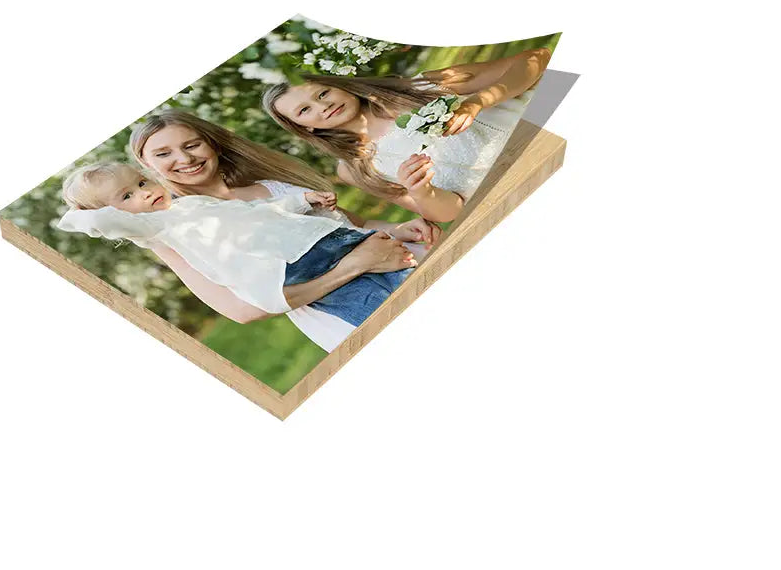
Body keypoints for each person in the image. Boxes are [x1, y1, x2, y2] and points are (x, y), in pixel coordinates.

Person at [127, 109, 441, 349]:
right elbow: (244, 311)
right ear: (148, 165)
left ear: (212, 145)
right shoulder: (180, 232)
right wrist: (356, 265)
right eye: (163, 154)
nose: (184, 158)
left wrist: (402, 229)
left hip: (404, 264)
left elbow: (356, 225)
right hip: (350, 313)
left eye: (192, 145)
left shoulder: (273, 188)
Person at [58, 162, 414, 327]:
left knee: (403, 269)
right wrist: (82, 212)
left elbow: (256, 212)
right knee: (377, 308)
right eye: (128, 195)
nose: (146, 191)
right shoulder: (153, 227)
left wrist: (300, 201)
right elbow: (99, 222)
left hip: (315, 238)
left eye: (140, 181)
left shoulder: (190, 204)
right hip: (290, 267)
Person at [263, 48, 552, 222]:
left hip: (544, 142)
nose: (323, 106)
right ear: (305, 128)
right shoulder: (355, 169)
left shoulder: (417, 88)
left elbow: (537, 59)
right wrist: (421, 192)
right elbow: (449, 213)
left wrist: (479, 102)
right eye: (304, 110)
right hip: (512, 198)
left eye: (322, 92)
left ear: (337, 85)